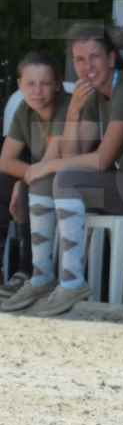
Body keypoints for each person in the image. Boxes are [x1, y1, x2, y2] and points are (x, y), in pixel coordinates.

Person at [0, 27, 123, 316]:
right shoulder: (92, 95)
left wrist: (44, 165)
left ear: (111, 58)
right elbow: (72, 156)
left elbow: (100, 161)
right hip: (122, 183)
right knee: (46, 181)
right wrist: (73, 113)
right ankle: (42, 276)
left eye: (94, 57)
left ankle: (72, 282)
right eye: (79, 60)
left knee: (57, 176)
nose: (87, 66)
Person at [0, 53, 66, 296]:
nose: (37, 91)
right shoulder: (24, 109)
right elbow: (5, 161)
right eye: (30, 83)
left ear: (57, 84)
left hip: (74, 182)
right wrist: (23, 177)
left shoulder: (66, 107)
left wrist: (24, 181)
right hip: (41, 176)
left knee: (30, 187)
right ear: (19, 85)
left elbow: (53, 162)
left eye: (45, 83)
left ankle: (27, 271)